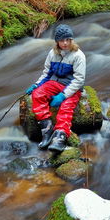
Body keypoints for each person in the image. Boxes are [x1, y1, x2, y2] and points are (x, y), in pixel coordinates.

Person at [25, 24, 86, 152]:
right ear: (57, 41)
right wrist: (36, 85)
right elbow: (47, 73)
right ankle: (47, 128)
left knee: (66, 106)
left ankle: (60, 136)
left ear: (71, 40)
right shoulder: (52, 54)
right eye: (62, 40)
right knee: (37, 94)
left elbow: (79, 80)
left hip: (72, 87)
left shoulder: (78, 55)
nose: (65, 43)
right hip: (56, 83)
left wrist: (63, 96)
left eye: (68, 40)